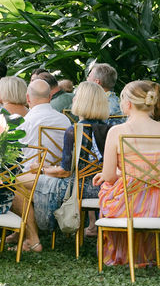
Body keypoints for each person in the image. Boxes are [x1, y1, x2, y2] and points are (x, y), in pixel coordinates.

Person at [95, 81, 160, 267]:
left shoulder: (117, 131)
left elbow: (108, 177)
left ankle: (122, 253)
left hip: (129, 205)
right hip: (157, 205)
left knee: (107, 188)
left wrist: (118, 173)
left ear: (128, 104)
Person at [39, 81, 109, 238]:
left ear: (82, 101)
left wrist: (43, 170)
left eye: (76, 96)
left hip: (80, 189)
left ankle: (43, 230)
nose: (73, 99)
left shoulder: (73, 131)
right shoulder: (110, 129)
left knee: (40, 182)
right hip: (104, 187)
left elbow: (64, 172)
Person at [8, 79, 71, 252]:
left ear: (28, 97)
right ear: (50, 96)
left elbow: (15, 155)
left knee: (12, 182)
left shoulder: (25, 122)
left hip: (37, 177)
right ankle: (19, 231)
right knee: (18, 180)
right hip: (58, 176)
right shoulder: (65, 120)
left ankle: (32, 239)